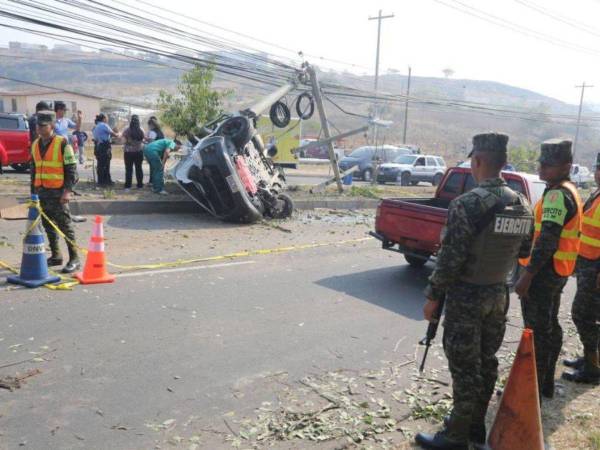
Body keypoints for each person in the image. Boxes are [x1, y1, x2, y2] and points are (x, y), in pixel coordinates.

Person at [416, 132, 533, 450]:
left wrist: (433, 297)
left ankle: (455, 438)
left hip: (467, 297)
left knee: (466, 369)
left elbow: (450, 260)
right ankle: (474, 429)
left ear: (477, 161)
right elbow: (524, 249)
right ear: (504, 163)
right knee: (486, 362)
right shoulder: (523, 205)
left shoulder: (466, 204)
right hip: (498, 295)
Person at [515, 139, 583, 400]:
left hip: (543, 274)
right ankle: (544, 385)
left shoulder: (557, 195)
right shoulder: (568, 189)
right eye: (541, 163)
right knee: (549, 328)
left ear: (566, 166)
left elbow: (547, 240)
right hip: (558, 271)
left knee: (535, 332)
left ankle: (530, 389)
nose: (542, 168)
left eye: (549, 164)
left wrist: (527, 276)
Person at [561, 153, 600, 385]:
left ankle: (593, 368)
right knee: (590, 315)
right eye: (597, 167)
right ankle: (589, 358)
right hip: (587, 264)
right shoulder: (596, 194)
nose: (597, 172)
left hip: (596, 267)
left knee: (583, 315)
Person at [30, 111, 80, 273]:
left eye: (42, 125)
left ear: (52, 126)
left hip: (58, 193)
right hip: (42, 193)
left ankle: (74, 258)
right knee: (48, 226)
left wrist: (67, 191)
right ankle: (56, 255)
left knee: (65, 226)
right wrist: (33, 193)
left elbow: (71, 169)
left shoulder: (63, 143)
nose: (39, 128)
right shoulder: (35, 144)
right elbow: (34, 170)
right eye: (38, 125)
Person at [92, 113, 119, 187]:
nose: (107, 119)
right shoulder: (104, 125)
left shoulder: (95, 126)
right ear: (104, 118)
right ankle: (106, 181)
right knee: (106, 164)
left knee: (100, 165)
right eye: (106, 118)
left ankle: (101, 181)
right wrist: (118, 134)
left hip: (97, 147)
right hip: (104, 147)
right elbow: (114, 134)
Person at [122, 115, 145, 190]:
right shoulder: (141, 130)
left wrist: (128, 143)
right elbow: (143, 140)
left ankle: (128, 186)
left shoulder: (127, 129)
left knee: (128, 169)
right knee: (139, 168)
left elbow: (124, 141)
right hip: (139, 152)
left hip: (128, 152)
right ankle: (140, 185)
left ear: (131, 121)